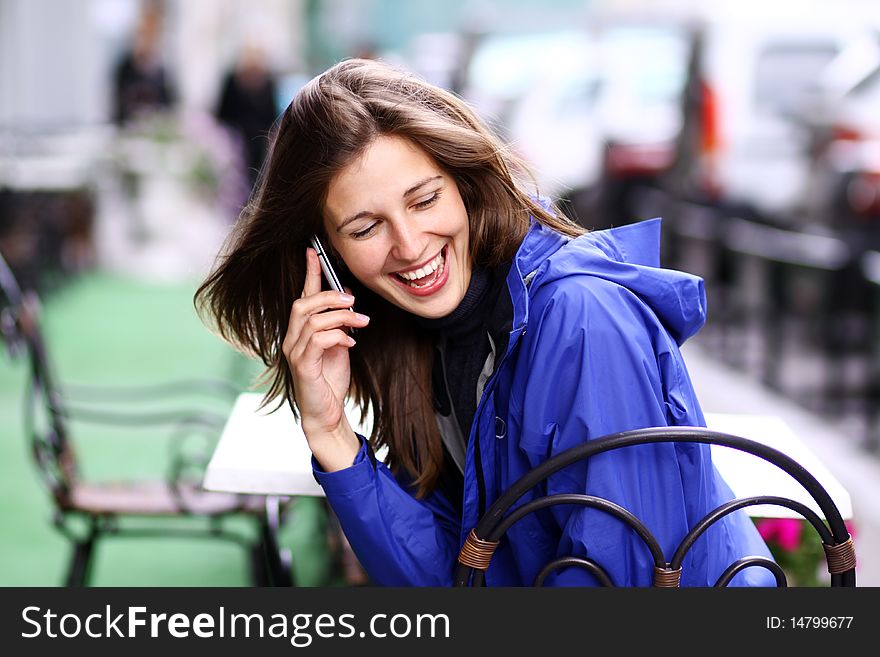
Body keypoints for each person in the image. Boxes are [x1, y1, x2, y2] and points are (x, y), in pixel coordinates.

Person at [194, 58, 775, 587]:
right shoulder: (435, 337)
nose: (410, 245)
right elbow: (458, 574)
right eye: (366, 228)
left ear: (465, 185)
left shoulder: (582, 319)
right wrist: (330, 434)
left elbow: (622, 583)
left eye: (424, 200)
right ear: (327, 258)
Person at [215, 43, 280, 191]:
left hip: (259, 141)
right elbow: (222, 113)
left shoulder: (268, 82)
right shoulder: (233, 80)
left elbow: (272, 115)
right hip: (235, 140)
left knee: (257, 180)